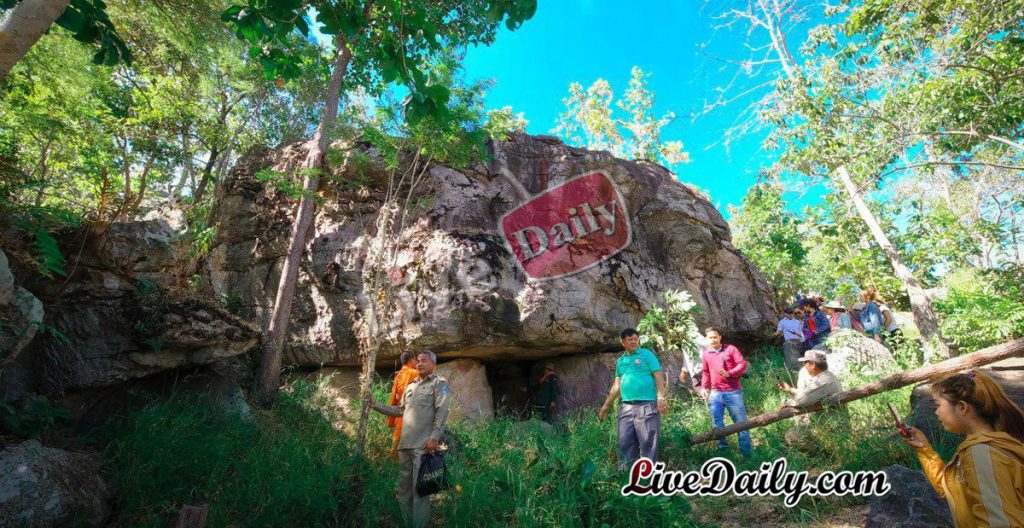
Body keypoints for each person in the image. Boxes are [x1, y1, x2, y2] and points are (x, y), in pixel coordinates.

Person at [902, 370, 1024, 527]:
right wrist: (925, 449)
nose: (936, 412)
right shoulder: (987, 446)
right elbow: (953, 490)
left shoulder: (982, 455)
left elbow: (998, 523)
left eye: (938, 405)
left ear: (961, 407)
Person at [368, 351, 451, 528]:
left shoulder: (439, 383)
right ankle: (407, 524)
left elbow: (442, 412)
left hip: (423, 446)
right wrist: (376, 405)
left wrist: (434, 438)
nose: (419, 364)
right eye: (418, 361)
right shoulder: (411, 386)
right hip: (405, 446)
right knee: (404, 491)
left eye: (424, 361)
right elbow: (400, 410)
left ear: (434, 364)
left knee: (419, 490)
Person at [599, 328, 668, 470]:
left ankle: (648, 476)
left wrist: (660, 397)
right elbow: (616, 385)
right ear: (623, 342)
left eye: (636, 339)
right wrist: (606, 406)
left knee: (648, 442)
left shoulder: (647, 355)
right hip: (626, 407)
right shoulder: (621, 361)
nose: (634, 342)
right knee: (624, 442)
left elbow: (658, 375)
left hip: (647, 405)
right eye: (630, 339)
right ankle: (626, 475)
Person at [776, 349, 844, 451]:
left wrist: (786, 402)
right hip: (830, 422)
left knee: (791, 435)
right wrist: (790, 390)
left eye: (805, 363)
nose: (804, 366)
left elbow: (802, 400)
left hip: (833, 427)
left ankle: (824, 450)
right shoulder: (826, 376)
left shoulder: (822, 380)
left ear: (812, 365)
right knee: (798, 424)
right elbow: (809, 394)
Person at [699, 327, 752, 457]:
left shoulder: (730, 349)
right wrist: (704, 387)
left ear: (720, 337)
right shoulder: (706, 354)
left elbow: (742, 364)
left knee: (741, 423)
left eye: (715, 337)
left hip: (733, 392)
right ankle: (724, 450)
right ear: (706, 339)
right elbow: (705, 372)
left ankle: (746, 453)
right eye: (710, 337)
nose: (713, 339)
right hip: (715, 393)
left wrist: (730, 372)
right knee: (717, 423)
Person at [387, 351, 420, 458]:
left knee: (397, 438)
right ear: (411, 360)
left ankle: (393, 461)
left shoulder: (399, 374)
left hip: (399, 412)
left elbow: (393, 396)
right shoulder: (415, 373)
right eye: (415, 360)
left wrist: (391, 417)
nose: (417, 362)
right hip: (413, 412)